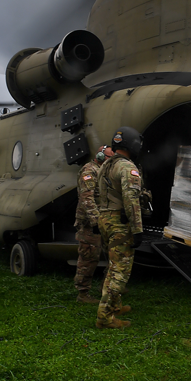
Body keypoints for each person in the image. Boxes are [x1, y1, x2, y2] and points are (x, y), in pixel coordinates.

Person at [94, 126, 145, 329]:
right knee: (120, 270)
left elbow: (98, 196)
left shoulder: (105, 166)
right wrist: (137, 228)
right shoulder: (126, 167)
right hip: (119, 222)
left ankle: (115, 306)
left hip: (105, 219)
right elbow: (131, 199)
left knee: (113, 265)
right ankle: (105, 318)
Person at [74, 145, 112, 304]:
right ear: (101, 156)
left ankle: (106, 287)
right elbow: (87, 199)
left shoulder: (104, 171)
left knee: (112, 254)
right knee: (89, 258)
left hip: (104, 221)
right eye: (109, 157)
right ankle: (82, 294)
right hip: (91, 224)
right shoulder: (90, 171)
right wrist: (96, 221)